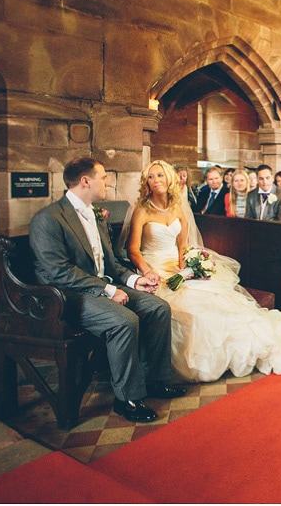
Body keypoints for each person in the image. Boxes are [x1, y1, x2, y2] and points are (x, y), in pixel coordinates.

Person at [28, 157, 185, 424]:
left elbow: (110, 263)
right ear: (85, 181)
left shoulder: (95, 213)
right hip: (68, 297)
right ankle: (128, 399)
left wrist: (137, 281)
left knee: (158, 307)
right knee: (124, 320)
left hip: (101, 286)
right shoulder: (48, 219)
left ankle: (157, 380)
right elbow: (59, 273)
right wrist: (108, 290)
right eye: (103, 177)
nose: (108, 182)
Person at [124, 160, 281, 382]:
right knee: (189, 308)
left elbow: (182, 246)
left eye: (160, 176)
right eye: (151, 177)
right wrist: (147, 271)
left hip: (176, 267)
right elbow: (133, 249)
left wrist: (187, 268)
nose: (155, 181)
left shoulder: (179, 207)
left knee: (217, 300)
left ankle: (236, 350)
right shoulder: (143, 209)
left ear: (169, 178)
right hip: (153, 266)